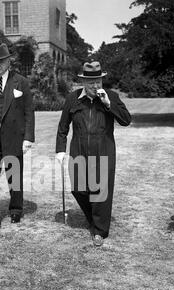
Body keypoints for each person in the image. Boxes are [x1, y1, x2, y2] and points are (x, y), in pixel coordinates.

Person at [56, 61, 131, 247]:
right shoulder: (73, 99)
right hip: (79, 151)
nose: (95, 86)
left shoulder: (111, 96)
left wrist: (108, 104)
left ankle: (99, 230)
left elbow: (126, 120)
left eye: (98, 82)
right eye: (91, 83)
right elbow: (62, 127)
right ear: (83, 82)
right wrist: (60, 150)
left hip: (103, 151)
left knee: (100, 192)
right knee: (79, 188)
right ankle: (93, 217)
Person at [0, 43, 35, 235]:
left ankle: (16, 209)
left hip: (13, 139)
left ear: (9, 61)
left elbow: (29, 112)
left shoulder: (21, 83)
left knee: (14, 177)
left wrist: (28, 138)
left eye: (0, 61)